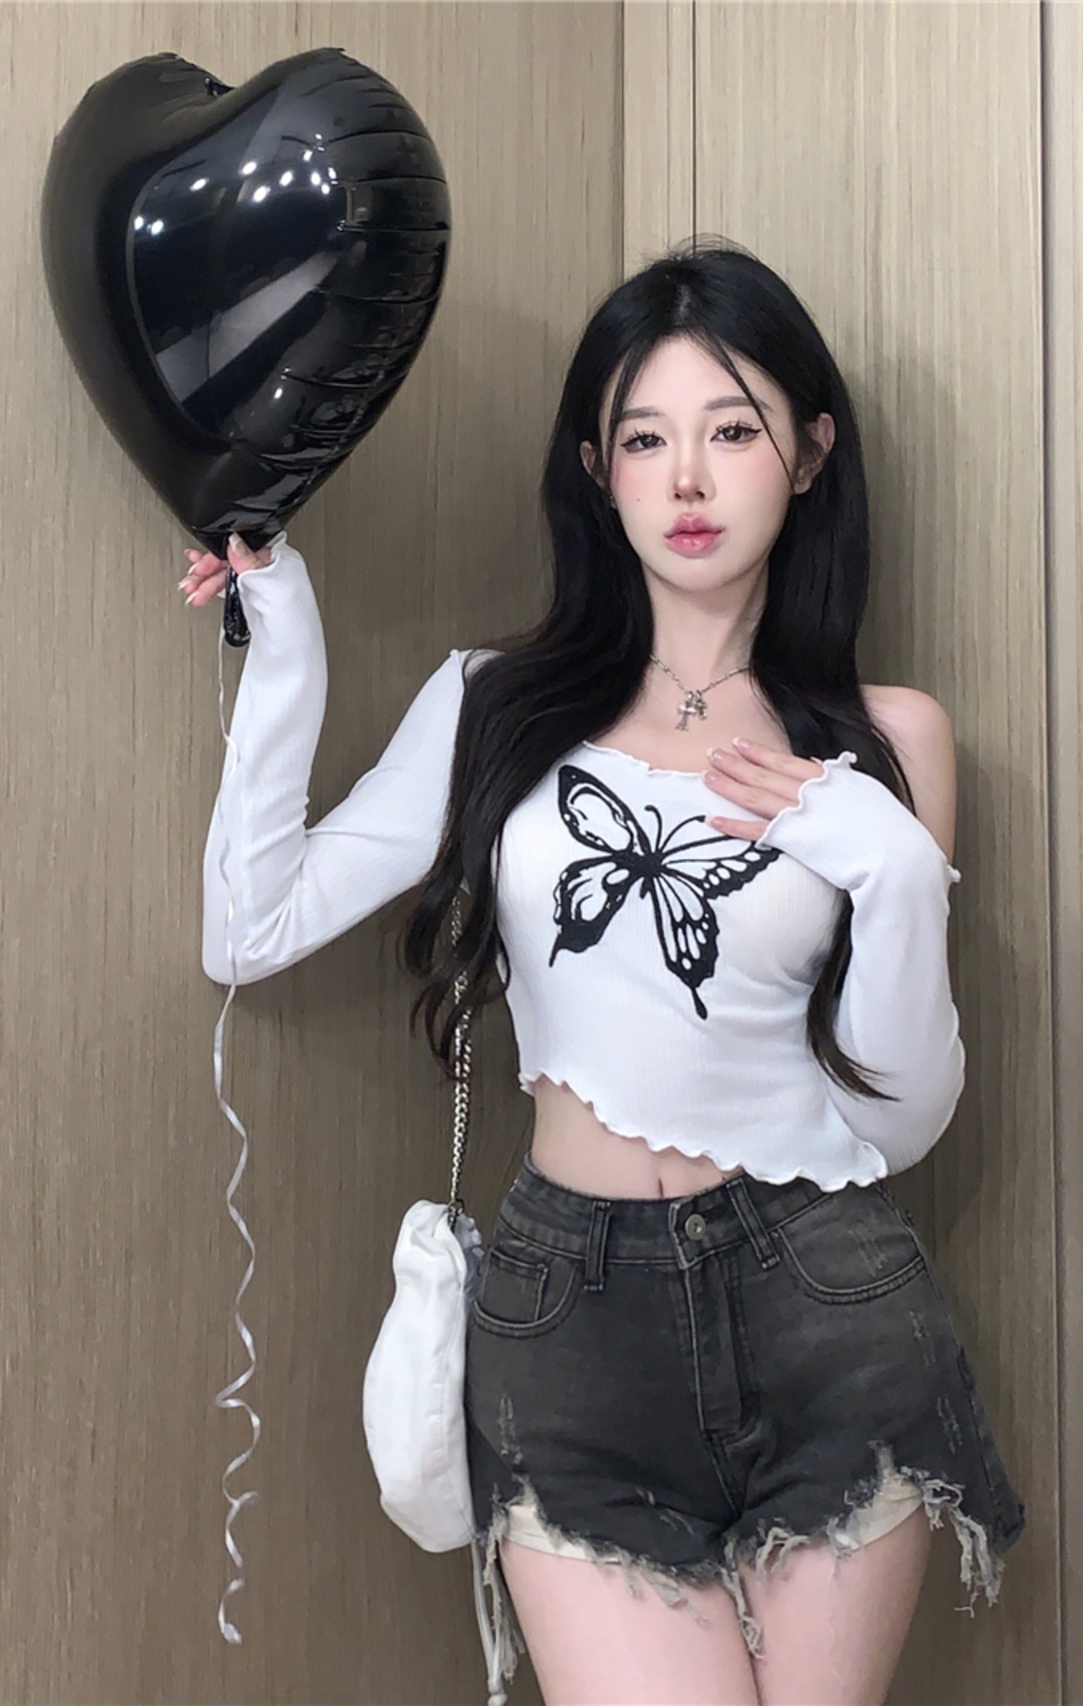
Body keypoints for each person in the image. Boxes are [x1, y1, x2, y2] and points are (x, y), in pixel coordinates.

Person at [182, 240, 1025, 1706]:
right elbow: (249, 925)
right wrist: (286, 649)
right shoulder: (494, 706)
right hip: (567, 1319)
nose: (687, 478)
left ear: (810, 454)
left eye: (733, 429)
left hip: (824, 1297)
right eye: (645, 438)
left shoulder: (889, 739)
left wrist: (889, 867)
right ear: (597, 469)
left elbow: (896, 1126)